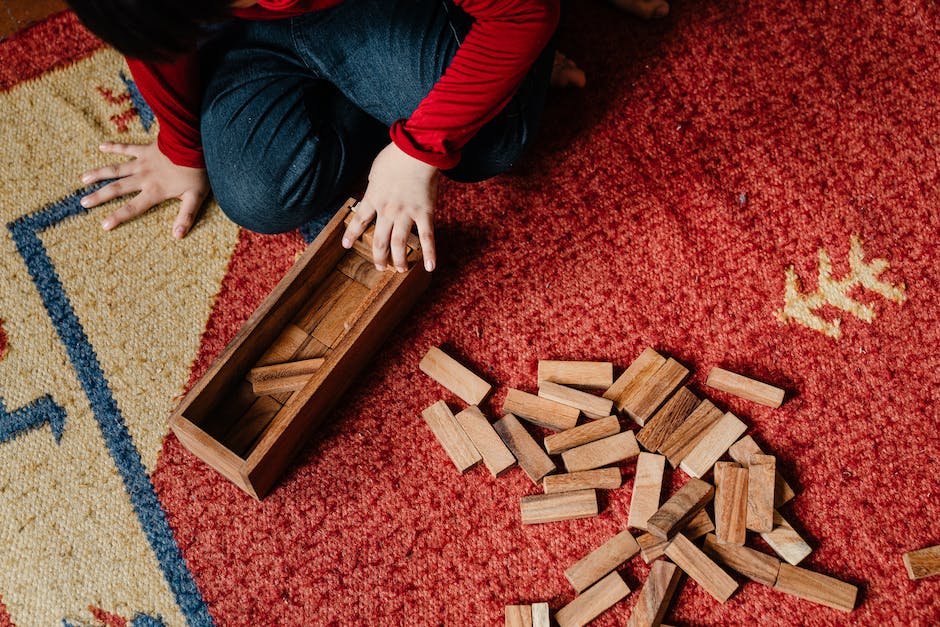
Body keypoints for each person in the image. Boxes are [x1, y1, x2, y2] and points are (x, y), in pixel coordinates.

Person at [68, 0, 668, 273]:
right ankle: (399, 88)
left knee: (492, 141)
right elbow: (157, 40)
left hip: (386, 7)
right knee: (255, 196)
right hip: (252, 39)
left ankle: (466, 75)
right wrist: (180, 147)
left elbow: (523, 14)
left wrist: (417, 152)